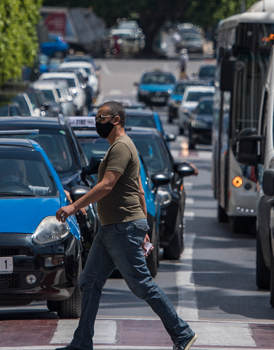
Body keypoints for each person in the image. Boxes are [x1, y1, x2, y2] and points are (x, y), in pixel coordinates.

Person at [54, 101, 198, 350]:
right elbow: (140, 190)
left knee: (142, 285)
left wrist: (74, 206)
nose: (97, 122)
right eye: (96, 118)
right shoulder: (118, 147)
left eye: (101, 118)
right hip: (114, 227)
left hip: (121, 226)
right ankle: (82, 342)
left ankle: (182, 333)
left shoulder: (121, 147)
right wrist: (143, 227)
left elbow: (108, 185)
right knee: (89, 282)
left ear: (116, 120)